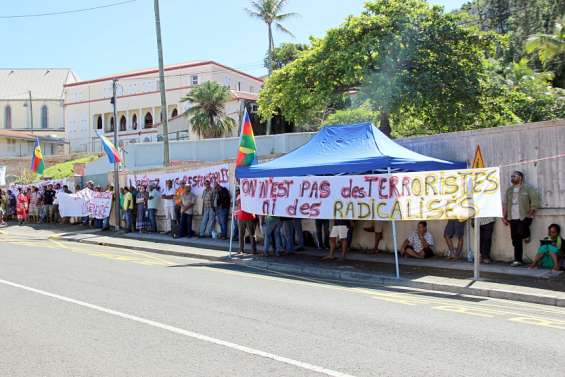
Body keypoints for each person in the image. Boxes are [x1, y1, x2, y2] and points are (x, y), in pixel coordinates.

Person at [502, 171, 540, 267]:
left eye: (514, 176)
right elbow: (506, 204)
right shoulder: (509, 190)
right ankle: (518, 260)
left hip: (525, 216)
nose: (512, 178)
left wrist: (530, 213)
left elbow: (535, 202)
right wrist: (504, 217)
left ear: (520, 177)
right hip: (512, 217)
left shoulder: (528, 188)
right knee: (515, 239)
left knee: (519, 234)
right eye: (511, 176)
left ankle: (518, 258)